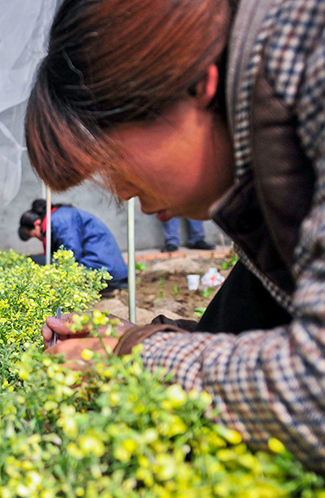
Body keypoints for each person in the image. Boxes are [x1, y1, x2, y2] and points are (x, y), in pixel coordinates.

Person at [25, 0, 325, 473]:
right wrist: (137, 338)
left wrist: (133, 355)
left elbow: (314, 385)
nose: (123, 195)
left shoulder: (311, 57)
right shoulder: (268, 153)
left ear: (195, 87)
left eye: (111, 162)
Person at [18, 199, 127, 292]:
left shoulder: (60, 219)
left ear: (37, 223)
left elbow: (71, 255)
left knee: (32, 260)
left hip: (104, 272)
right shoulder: (60, 215)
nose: (39, 238)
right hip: (108, 269)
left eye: (35, 235)